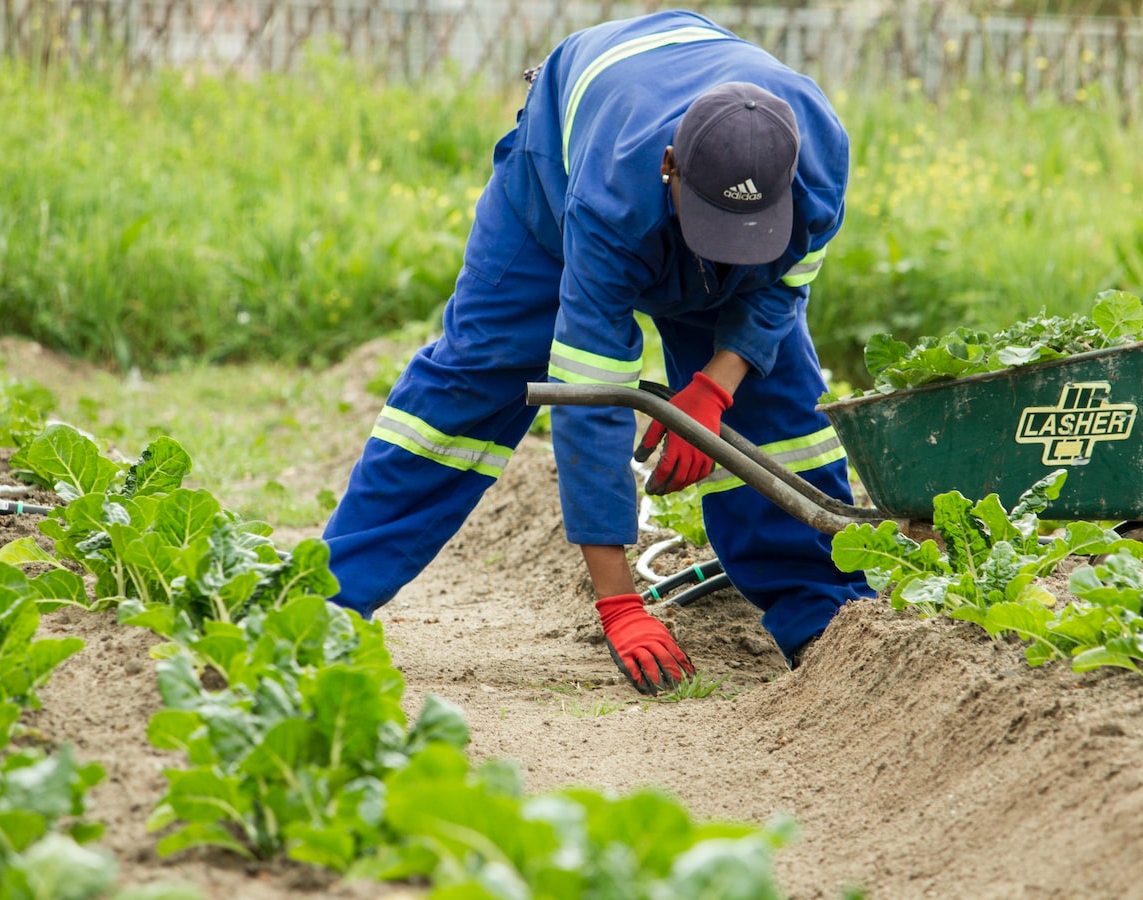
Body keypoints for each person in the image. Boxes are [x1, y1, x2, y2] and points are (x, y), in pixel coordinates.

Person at [321, 9, 870, 694]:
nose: (724, 254)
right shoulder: (614, 197)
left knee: (773, 408)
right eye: (711, 230)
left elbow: (782, 286)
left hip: (690, 149)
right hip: (557, 178)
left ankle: (826, 617)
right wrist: (617, 601)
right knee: (475, 377)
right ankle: (329, 602)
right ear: (669, 169)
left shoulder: (819, 161)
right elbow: (593, 399)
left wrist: (716, 388)